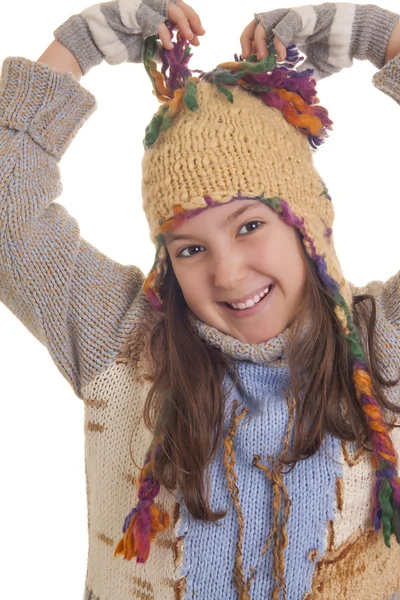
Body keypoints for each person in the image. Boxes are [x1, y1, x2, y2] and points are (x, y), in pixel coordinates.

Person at [0, 1, 399, 598]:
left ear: (307, 223)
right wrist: (78, 45)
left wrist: (377, 34)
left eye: (249, 227)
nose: (230, 275)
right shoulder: (125, 344)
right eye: (189, 249)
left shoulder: (380, 344)